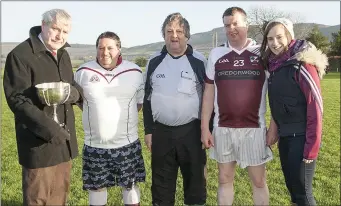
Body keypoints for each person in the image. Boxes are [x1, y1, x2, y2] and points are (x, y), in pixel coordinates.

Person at [3, 9, 82, 205]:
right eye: (55, 29)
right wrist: (51, 131)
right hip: (38, 143)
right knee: (38, 198)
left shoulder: (63, 54)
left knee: (59, 198)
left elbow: (70, 85)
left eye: (65, 32)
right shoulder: (20, 55)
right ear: (43, 25)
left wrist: (75, 94)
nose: (60, 36)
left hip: (64, 141)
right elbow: (18, 100)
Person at [201, 7, 273, 205]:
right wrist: (204, 128)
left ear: (246, 25)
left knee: (259, 181)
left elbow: (276, 93)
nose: (231, 28)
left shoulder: (262, 53)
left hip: (254, 130)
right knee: (224, 179)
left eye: (235, 24)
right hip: (222, 129)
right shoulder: (216, 54)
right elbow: (208, 93)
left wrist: (274, 127)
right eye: (227, 25)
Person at [260, 18, 327, 206]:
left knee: (303, 195)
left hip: (302, 139)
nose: (275, 43)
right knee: (294, 192)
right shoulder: (275, 66)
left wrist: (311, 149)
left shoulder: (302, 64)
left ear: (290, 36)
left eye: (279, 37)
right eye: (270, 38)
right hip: (286, 138)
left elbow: (316, 109)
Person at [74, 31, 146, 206]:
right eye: (101, 48)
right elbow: (79, 100)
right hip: (95, 145)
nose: (105, 52)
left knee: (130, 186)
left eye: (110, 48)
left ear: (119, 49)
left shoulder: (134, 71)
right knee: (96, 188)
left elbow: (139, 102)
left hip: (127, 143)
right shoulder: (83, 71)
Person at [143, 12, 207, 206]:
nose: (174, 35)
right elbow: (147, 98)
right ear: (163, 35)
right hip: (161, 133)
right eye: (169, 31)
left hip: (192, 132)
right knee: (161, 189)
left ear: (187, 35)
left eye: (179, 31)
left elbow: (210, 98)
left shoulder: (199, 61)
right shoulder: (154, 61)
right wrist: (148, 130)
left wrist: (207, 129)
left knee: (195, 186)